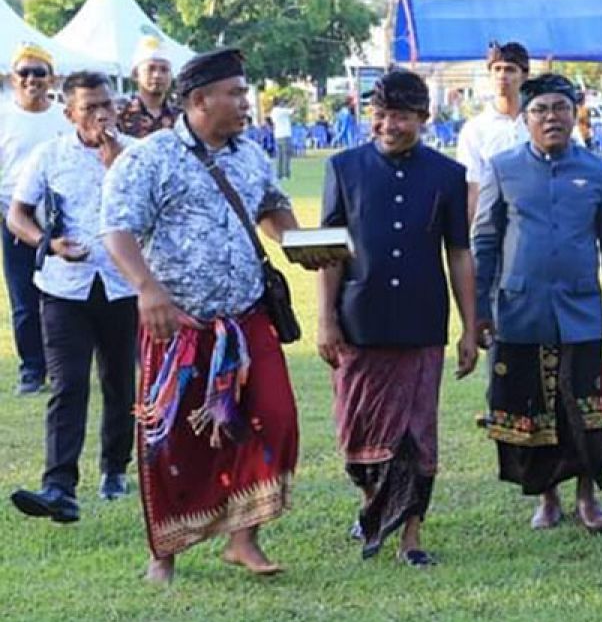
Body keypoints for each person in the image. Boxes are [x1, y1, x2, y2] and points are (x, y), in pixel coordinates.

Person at [102, 48, 322, 584]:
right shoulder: (150, 158)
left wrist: (303, 243)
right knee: (170, 438)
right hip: (177, 324)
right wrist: (148, 290)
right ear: (200, 101)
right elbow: (117, 230)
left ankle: (243, 540)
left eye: (245, 92)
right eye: (237, 93)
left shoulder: (251, 155)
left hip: (246, 319)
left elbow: (272, 209)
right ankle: (165, 554)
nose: (247, 103)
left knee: (276, 416)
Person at [317, 69, 478, 565]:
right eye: (381, 115)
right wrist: (325, 319)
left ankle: (411, 536)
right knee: (358, 431)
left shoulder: (447, 176)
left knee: (415, 434)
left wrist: (470, 327)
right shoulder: (343, 167)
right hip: (359, 321)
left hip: (420, 321)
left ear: (424, 119)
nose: (390, 125)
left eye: (402, 116)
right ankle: (372, 508)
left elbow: (458, 254)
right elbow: (329, 252)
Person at [473, 73, 602, 535]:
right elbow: (485, 240)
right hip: (519, 311)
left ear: (574, 113)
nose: (551, 118)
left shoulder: (598, 170)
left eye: (559, 108)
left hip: (579, 310)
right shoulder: (502, 168)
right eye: (540, 110)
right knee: (531, 406)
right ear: (525, 118)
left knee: (580, 405)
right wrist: (480, 308)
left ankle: (588, 495)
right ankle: (548, 497)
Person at [7, 71, 135, 523]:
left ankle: (115, 467)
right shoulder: (49, 155)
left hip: (122, 286)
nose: (101, 115)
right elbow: (17, 215)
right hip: (64, 286)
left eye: (107, 105)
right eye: (89, 108)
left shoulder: (135, 155)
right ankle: (58, 485)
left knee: (119, 380)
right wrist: (47, 243)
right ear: (69, 114)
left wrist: (116, 162)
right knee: (68, 383)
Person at [0, 44, 71, 395]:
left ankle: (63, 366)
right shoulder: (3, 117)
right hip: (15, 219)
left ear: (52, 78)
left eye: (38, 72)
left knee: (62, 295)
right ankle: (31, 370)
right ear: (13, 79)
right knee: (24, 300)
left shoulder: (65, 117)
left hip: (63, 218)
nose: (31, 79)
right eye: (24, 72)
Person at [458, 41, 530, 222]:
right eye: (497, 69)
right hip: (494, 223)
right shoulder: (475, 130)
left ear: (524, 75)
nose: (502, 76)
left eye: (510, 69)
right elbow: (472, 186)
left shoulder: (540, 123)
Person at [117, 36, 180, 138]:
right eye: (151, 69)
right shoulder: (121, 114)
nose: (157, 75)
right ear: (135, 74)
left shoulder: (181, 118)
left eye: (164, 70)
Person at [270, 98, 294, 179]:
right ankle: (286, 174)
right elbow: (292, 111)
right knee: (286, 155)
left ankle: (279, 173)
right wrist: (295, 103)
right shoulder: (281, 111)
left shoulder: (273, 111)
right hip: (285, 135)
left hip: (277, 135)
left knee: (279, 156)